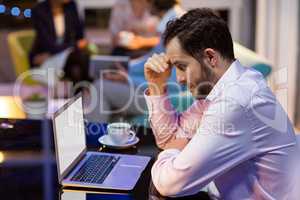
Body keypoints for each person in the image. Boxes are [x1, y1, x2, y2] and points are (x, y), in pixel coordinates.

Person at [144, 8, 300, 199]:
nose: (179, 79)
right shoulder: (220, 90)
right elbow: (169, 139)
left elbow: (170, 184)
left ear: (210, 57)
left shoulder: (236, 102)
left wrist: (171, 151)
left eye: (182, 67)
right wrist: (156, 85)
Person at [86, 0, 184, 122]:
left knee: (98, 88)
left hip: (166, 98)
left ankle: (94, 138)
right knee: (101, 83)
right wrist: (127, 71)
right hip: (157, 91)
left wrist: (128, 78)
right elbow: (151, 59)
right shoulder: (173, 20)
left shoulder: (174, 26)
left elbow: (173, 82)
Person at [29, 0, 91, 87]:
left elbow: (80, 36)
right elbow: (49, 45)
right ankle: (82, 94)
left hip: (63, 55)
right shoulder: (39, 10)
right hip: (43, 57)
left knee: (79, 63)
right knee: (79, 62)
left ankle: (78, 96)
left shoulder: (71, 6)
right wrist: (75, 45)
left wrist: (77, 45)